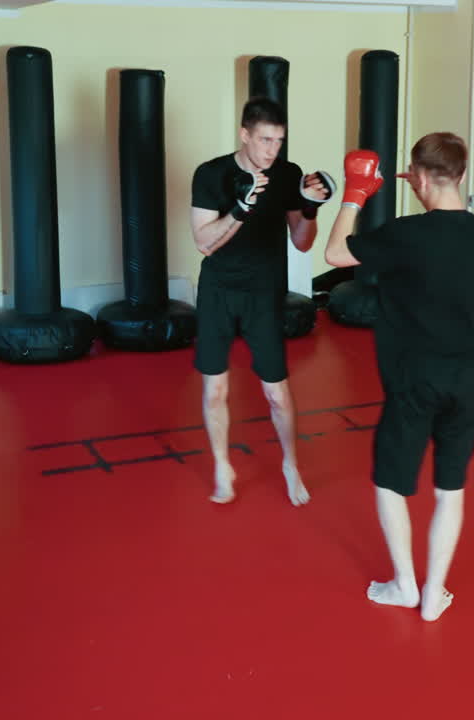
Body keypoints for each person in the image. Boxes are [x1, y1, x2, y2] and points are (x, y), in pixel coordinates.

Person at [324, 132, 474, 622]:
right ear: (462, 174)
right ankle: (433, 595)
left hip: (413, 380)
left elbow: (336, 254)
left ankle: (405, 585)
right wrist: (428, 184)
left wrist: (356, 194)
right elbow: (446, 226)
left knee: (390, 483)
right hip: (468, 377)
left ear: (416, 177)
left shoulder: (404, 234)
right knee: (451, 490)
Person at [190, 97, 334, 507]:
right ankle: (222, 464)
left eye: (279, 141)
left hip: (264, 294)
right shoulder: (211, 174)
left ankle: (291, 464)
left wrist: (310, 206)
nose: (272, 149)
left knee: (277, 393)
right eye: (265, 139)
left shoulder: (288, 175)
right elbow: (203, 243)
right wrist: (241, 207)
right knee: (215, 390)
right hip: (218, 291)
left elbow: (302, 242)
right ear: (244, 134)